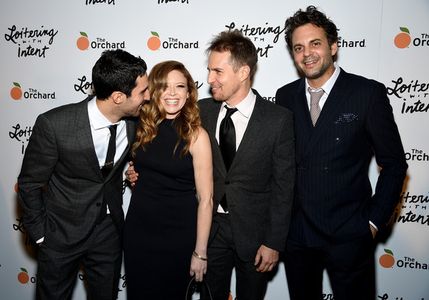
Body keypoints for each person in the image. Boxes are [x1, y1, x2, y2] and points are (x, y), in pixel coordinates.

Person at [275, 6, 408, 300]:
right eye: (298, 47)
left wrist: (373, 223)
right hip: (298, 236)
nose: (307, 53)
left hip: (349, 235)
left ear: (334, 46)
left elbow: (395, 163)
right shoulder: (284, 96)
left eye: (315, 43)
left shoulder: (367, 93)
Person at [17, 49, 149, 300]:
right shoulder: (54, 125)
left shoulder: (135, 123)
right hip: (61, 233)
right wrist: (42, 235)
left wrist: (136, 170)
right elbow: (29, 183)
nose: (148, 96)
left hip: (108, 232)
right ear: (119, 97)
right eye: (143, 92)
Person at [199, 30, 295, 300]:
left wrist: (274, 242)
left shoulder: (278, 120)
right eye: (209, 70)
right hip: (211, 230)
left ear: (243, 72)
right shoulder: (201, 110)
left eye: (217, 71)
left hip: (255, 236)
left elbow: (283, 186)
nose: (209, 79)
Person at [123, 60, 213, 299]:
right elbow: (142, 169)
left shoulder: (197, 136)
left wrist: (200, 253)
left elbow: (206, 200)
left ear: (189, 92)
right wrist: (131, 174)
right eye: (165, 86)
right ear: (152, 91)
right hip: (139, 232)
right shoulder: (141, 126)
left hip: (178, 236)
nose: (172, 93)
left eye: (180, 86)